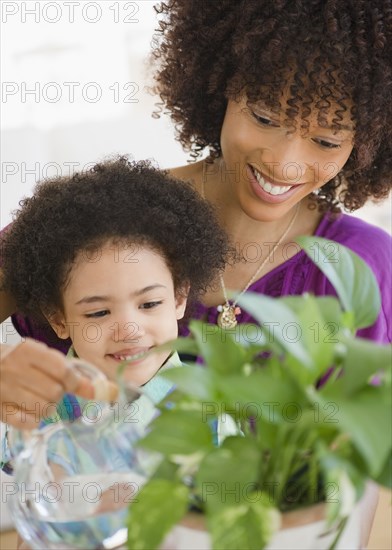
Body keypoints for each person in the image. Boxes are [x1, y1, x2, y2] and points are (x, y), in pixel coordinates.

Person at [0, 156, 228, 453]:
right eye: (98, 312)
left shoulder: (208, 409)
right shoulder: (41, 404)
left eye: (149, 304)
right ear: (58, 318)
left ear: (179, 298)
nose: (129, 330)